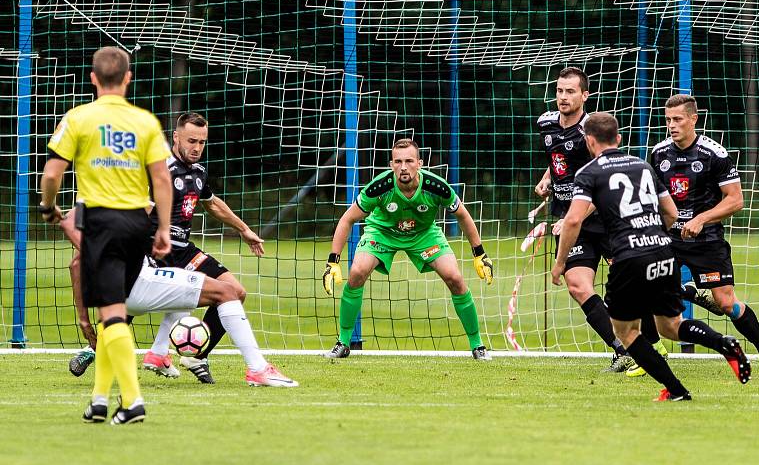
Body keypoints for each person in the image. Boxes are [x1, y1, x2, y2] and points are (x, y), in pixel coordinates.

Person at [551, 112, 751, 401]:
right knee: (670, 326)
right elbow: (671, 212)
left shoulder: (589, 172)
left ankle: (677, 389)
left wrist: (559, 263)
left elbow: (572, 221)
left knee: (626, 332)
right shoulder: (642, 166)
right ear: (618, 138)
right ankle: (723, 342)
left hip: (629, 257)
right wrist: (655, 236)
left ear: (589, 141)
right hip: (663, 250)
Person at [40, 46, 173, 425]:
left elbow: (51, 174)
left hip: (100, 223)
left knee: (112, 314)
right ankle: (99, 400)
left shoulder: (79, 117)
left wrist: (49, 208)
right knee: (111, 312)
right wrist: (162, 228)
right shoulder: (146, 121)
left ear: (94, 79)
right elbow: (162, 178)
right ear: (128, 78)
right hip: (138, 224)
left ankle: (132, 401)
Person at [59, 210, 297, 394]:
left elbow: (75, 259)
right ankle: (257, 368)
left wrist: (83, 320)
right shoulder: (140, 191)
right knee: (228, 292)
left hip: (119, 294)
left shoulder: (97, 205)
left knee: (188, 295)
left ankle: (157, 353)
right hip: (146, 279)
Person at [322, 138, 494, 359]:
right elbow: (347, 219)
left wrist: (479, 254)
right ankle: (343, 343)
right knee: (356, 273)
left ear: (419, 163)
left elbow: (462, 215)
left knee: (455, 278)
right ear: (391, 164)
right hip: (383, 233)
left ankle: (477, 345)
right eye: (398, 161)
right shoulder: (380, 186)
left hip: (423, 234)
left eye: (409, 161)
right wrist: (333, 261)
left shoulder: (436, 186)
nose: (404, 167)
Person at [648, 94, 759, 378]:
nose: (671, 125)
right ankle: (652, 352)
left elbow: (735, 200)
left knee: (726, 304)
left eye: (678, 120)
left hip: (706, 240)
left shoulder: (714, 154)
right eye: (667, 120)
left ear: (693, 119)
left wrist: (701, 218)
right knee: (646, 290)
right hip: (670, 239)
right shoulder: (659, 153)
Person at [144, 112, 265, 384]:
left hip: (185, 250)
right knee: (156, 303)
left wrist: (244, 230)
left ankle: (193, 354)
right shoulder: (160, 169)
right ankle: (101, 349)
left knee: (236, 291)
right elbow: (140, 206)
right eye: (191, 140)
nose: (197, 147)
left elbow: (212, 203)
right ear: (175, 137)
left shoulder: (198, 172)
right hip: (158, 249)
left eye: (202, 142)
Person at [533, 67, 635, 371]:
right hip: (570, 217)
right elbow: (558, 158)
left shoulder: (592, 130)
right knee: (577, 284)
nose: (563, 97)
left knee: (628, 283)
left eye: (570, 91)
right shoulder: (546, 123)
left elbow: (603, 180)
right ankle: (623, 351)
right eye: (559, 91)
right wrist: (547, 178)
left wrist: (572, 217)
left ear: (584, 95)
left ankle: (648, 340)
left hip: (603, 215)